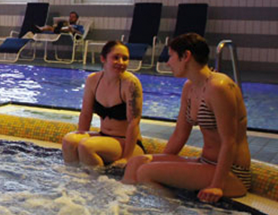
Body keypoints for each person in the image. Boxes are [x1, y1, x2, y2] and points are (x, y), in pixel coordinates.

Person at [123, 33, 252, 202]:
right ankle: (124, 206)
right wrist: (162, 164)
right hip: (204, 162)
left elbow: (229, 141)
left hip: (230, 173)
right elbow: (180, 133)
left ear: (186, 56)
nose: (168, 63)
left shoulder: (219, 87)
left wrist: (217, 185)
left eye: (171, 56)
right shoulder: (190, 87)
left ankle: (170, 213)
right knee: (137, 162)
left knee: (146, 172)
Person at [61, 40, 145, 169]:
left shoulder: (131, 84)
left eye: (125, 59)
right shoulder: (93, 80)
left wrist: (127, 158)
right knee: (69, 140)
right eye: (116, 57)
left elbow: (133, 123)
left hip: (128, 144)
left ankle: (98, 179)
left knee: (87, 146)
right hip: (104, 136)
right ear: (103, 59)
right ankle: (72, 176)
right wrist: (80, 136)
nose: (121, 62)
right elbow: (86, 114)